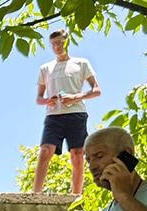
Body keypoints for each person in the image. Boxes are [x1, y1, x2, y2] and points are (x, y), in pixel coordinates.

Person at [32, 30, 101, 195]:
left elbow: (97, 90)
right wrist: (48, 100)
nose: (57, 46)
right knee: (45, 151)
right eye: (54, 44)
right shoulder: (45, 68)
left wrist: (76, 97)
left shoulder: (82, 63)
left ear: (67, 42)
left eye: (60, 42)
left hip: (76, 114)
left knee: (77, 155)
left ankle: (76, 196)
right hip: (53, 116)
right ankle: (35, 195)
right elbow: (38, 99)